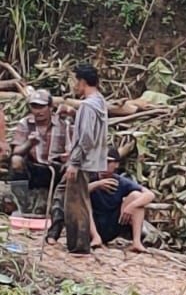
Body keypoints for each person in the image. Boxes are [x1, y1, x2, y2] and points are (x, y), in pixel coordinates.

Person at [62, 64, 110, 254]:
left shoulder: (88, 106)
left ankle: (78, 244)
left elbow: (87, 137)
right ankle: (78, 243)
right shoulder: (99, 101)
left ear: (82, 82)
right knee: (80, 199)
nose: (74, 85)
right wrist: (74, 113)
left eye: (76, 81)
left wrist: (74, 162)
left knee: (76, 201)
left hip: (83, 161)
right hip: (91, 159)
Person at [9, 87, 69, 216]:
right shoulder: (25, 123)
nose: (38, 111)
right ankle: (22, 204)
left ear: (50, 107)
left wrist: (66, 157)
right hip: (34, 168)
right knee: (16, 160)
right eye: (35, 107)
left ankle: (61, 206)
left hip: (55, 168)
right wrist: (29, 144)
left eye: (42, 107)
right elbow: (16, 151)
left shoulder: (63, 124)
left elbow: (72, 148)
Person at [87, 152, 156, 252]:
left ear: (116, 164)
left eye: (108, 162)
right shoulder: (90, 178)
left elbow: (150, 194)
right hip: (89, 225)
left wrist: (132, 206)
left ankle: (136, 242)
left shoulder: (121, 181)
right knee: (83, 200)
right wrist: (96, 185)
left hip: (112, 224)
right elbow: (75, 193)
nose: (103, 165)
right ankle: (95, 237)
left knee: (136, 196)